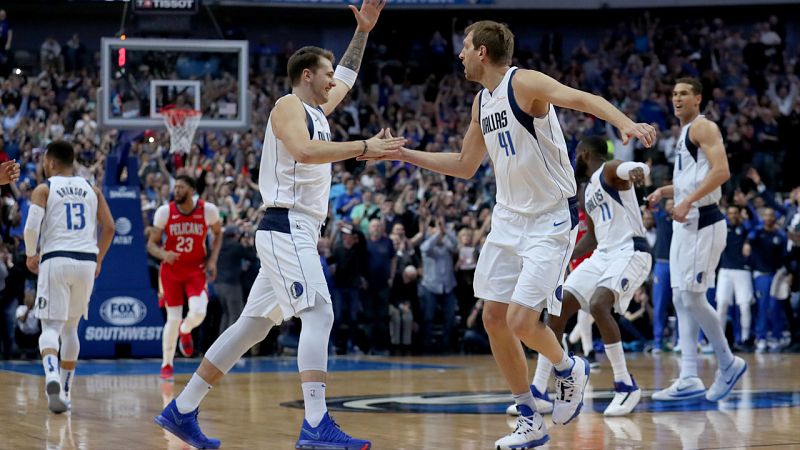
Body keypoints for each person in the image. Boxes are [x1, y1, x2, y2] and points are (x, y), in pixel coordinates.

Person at [362, 20, 655, 449]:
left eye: (465, 46)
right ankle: (529, 418)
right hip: (508, 219)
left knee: (521, 321)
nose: (460, 54)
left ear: (482, 51)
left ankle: (568, 367)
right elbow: (464, 165)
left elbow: (582, 98)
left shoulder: (524, 83)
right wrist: (402, 155)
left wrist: (625, 123)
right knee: (493, 319)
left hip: (549, 219)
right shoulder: (481, 102)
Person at [155, 2, 403, 449]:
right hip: (286, 225)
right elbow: (305, 152)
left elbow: (348, 76)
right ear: (307, 75)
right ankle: (316, 424)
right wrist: (365, 146)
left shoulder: (319, 111)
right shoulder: (289, 106)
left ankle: (183, 408)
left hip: (295, 229)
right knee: (320, 312)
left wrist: (363, 31)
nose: (333, 81)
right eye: (326, 74)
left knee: (251, 327)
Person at [513, 136, 653, 418]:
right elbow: (592, 237)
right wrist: (565, 257)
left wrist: (639, 170)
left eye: (576, 154)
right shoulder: (587, 190)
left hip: (631, 251)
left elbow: (630, 168)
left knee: (600, 305)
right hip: (604, 254)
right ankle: (539, 390)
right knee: (558, 307)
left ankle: (625, 385)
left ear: (585, 153)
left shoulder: (609, 170)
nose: (574, 158)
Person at [647, 78, 747, 402]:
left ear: (698, 98)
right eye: (674, 94)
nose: (677, 98)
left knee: (692, 297)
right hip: (686, 224)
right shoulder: (684, 133)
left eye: (684, 94)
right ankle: (689, 376)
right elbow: (692, 181)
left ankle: (728, 363)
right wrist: (666, 191)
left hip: (704, 221)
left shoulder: (703, 127)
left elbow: (721, 172)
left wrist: (687, 201)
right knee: (680, 298)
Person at [23, 140, 115, 413]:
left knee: (50, 328)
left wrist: (30, 254)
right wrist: (99, 259)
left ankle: (51, 374)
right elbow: (110, 227)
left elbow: (31, 228)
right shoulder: (92, 189)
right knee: (71, 329)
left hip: (56, 258)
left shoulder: (45, 188)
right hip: (86, 262)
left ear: (51, 162)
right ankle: (65, 391)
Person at [147, 175, 223, 380]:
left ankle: (186, 329)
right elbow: (151, 244)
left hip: (196, 268)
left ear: (191, 190)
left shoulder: (208, 210)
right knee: (172, 318)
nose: (177, 190)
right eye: (176, 187)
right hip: (171, 270)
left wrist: (213, 260)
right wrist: (164, 254)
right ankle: (167, 364)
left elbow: (218, 233)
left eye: (181, 187)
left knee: (199, 311)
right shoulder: (165, 212)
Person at [715, 206, 755, 348]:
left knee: (744, 306)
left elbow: (756, 226)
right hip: (725, 270)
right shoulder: (722, 228)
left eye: (735, 213)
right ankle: (719, 340)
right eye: (730, 213)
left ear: (740, 215)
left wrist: (748, 241)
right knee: (721, 305)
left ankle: (745, 339)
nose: (733, 216)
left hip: (743, 271)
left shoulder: (746, 229)